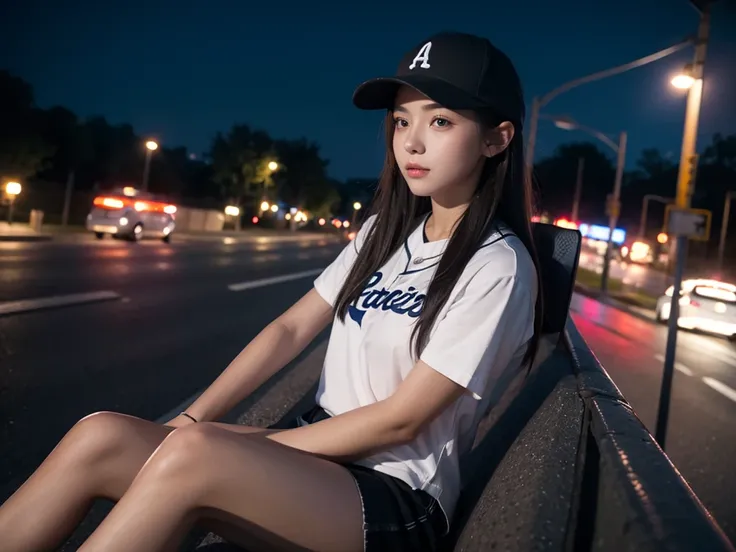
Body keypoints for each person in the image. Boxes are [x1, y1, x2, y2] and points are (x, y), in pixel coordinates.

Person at [0, 31, 542, 552]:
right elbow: (289, 329)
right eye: (402, 121)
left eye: (440, 121)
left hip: (394, 495)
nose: (412, 142)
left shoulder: (498, 266)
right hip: (317, 457)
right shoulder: (385, 232)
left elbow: (402, 419)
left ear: (497, 138)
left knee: (198, 454)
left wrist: (245, 443)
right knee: (102, 436)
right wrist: (194, 418)